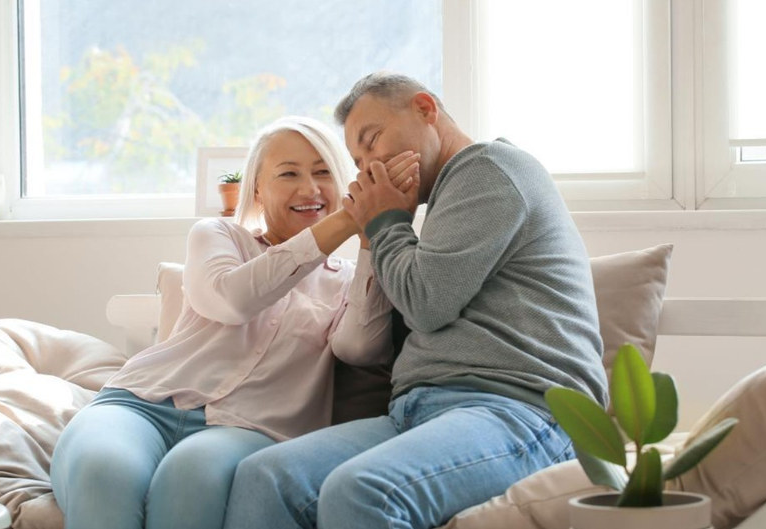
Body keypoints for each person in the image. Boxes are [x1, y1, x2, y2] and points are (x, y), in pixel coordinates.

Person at [222, 73, 610, 529]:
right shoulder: (436, 211)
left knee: (363, 491)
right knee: (265, 477)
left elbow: (426, 302)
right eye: (359, 159)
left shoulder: (488, 168)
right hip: (420, 412)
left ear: (426, 110)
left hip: (523, 411)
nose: (370, 167)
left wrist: (386, 220)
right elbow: (405, 323)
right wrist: (385, 229)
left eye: (373, 140)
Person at [50, 115, 412, 529]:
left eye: (323, 172)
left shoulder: (350, 280)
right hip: (142, 402)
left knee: (190, 479)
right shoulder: (218, 236)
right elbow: (230, 300)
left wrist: (368, 241)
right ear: (257, 188)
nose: (309, 189)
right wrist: (347, 219)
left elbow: (361, 348)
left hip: (251, 426)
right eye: (288, 173)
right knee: (103, 471)